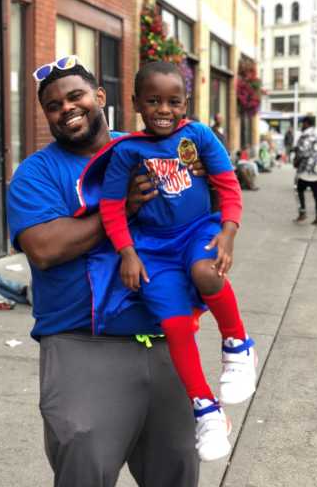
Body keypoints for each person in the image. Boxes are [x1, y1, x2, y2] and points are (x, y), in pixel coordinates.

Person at [7, 55, 202, 487]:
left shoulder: (150, 149)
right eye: (53, 105)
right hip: (81, 343)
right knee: (85, 466)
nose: (66, 108)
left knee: (180, 465)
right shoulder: (36, 173)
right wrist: (122, 206)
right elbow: (45, 248)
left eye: (75, 96)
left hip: (165, 336)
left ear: (99, 97)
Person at [76, 61, 256, 462]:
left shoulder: (199, 135)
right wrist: (127, 252)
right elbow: (111, 207)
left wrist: (227, 232)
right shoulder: (126, 150)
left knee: (207, 272)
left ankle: (238, 346)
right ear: (137, 102)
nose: (163, 109)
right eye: (153, 100)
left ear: (186, 103)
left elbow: (228, 184)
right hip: (152, 249)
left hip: (198, 231)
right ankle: (206, 409)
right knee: (174, 326)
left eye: (173, 101)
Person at [293, 116, 317, 226]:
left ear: (306, 123)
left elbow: (301, 151)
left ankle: (302, 212)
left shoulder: (306, 134)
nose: (302, 126)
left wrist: (296, 161)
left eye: (303, 124)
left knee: (298, 189)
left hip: (306, 170)